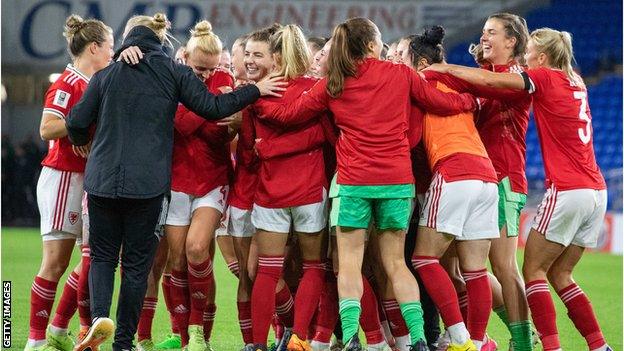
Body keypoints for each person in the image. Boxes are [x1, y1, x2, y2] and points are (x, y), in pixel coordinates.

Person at [248, 17, 477, 351]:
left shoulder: (334, 83)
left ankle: (352, 336)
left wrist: (255, 95)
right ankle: (417, 339)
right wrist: (471, 102)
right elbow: (440, 102)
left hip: (354, 184)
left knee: (350, 268)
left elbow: (289, 115)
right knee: (396, 264)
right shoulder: (401, 74)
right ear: (372, 45)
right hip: (397, 183)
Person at [65, 13, 284, 351]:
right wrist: (255, 90)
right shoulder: (173, 72)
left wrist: (83, 139)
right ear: (162, 41)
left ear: (128, 41)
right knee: (138, 266)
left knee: (104, 257)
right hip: (148, 186)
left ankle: (97, 320)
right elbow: (212, 107)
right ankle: (123, 341)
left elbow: (76, 120)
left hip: (102, 181)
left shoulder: (106, 75)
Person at [427, 27, 612, 351]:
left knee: (529, 270)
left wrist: (444, 68)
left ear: (540, 58)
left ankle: (535, 344)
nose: (524, 61)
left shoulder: (542, 76)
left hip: (561, 187)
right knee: (560, 275)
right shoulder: (575, 81)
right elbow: (490, 80)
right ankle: (599, 346)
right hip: (596, 190)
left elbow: (494, 83)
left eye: (528, 54)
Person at [26, 14, 113, 351]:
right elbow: (47, 128)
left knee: (91, 258)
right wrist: (78, 124)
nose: (112, 51)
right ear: (93, 47)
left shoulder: (94, 83)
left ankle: (60, 329)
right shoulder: (68, 82)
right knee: (55, 262)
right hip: (64, 176)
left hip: (89, 178)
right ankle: (34, 340)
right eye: (108, 45)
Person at [246, 24, 329, 351]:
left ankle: (256, 344)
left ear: (276, 55)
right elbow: (326, 135)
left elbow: (251, 148)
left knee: (267, 271)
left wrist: (270, 149)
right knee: (313, 266)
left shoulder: (260, 92)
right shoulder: (317, 89)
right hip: (310, 189)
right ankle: (300, 338)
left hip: (271, 191)